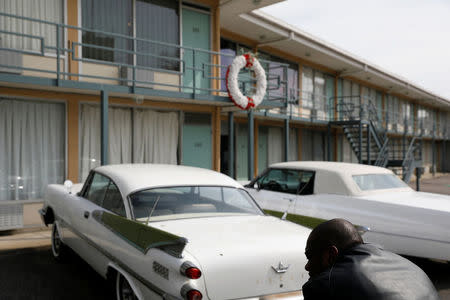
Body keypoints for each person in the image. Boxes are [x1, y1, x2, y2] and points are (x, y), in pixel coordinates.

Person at [302, 218, 439, 300]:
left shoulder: (324, 285)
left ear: (331, 254)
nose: (307, 266)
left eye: (310, 256)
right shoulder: (410, 267)